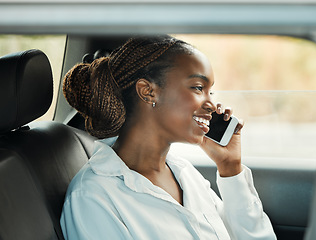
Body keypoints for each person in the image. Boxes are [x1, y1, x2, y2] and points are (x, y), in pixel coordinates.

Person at [60, 35, 276, 240]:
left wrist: (230, 168)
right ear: (148, 92)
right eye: (198, 88)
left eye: (211, 92)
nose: (211, 105)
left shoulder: (186, 175)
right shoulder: (93, 197)